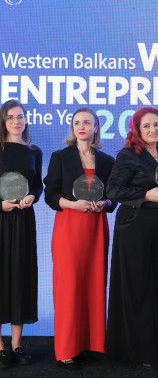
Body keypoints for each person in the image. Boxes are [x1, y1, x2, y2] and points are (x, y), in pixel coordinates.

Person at [106, 107, 158, 369]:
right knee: (138, 288)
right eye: (147, 126)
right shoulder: (128, 155)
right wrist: (145, 196)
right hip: (134, 227)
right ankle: (138, 351)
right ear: (137, 129)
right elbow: (113, 189)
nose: (153, 130)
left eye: (157, 125)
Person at [44, 107, 116, 369]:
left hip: (96, 227)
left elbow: (113, 197)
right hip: (69, 226)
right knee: (69, 287)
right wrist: (73, 205)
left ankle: (88, 344)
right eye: (77, 122)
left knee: (94, 285)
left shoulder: (107, 160)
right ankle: (66, 349)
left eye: (87, 122)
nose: (82, 126)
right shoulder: (60, 157)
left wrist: (105, 202)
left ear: (96, 127)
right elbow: (50, 194)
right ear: (72, 128)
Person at [0, 99, 43, 369]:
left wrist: (31, 197)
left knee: (20, 276)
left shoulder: (34, 151)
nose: (17, 121)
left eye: (21, 117)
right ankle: (1, 348)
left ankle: (17, 344)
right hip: (0, 218)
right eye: (11, 117)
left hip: (24, 220)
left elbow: (37, 186)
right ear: (3, 121)